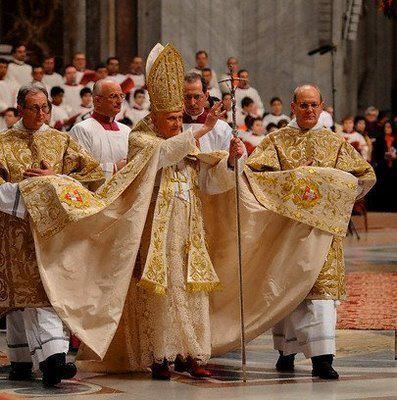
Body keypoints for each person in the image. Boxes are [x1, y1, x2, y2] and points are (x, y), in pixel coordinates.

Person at [249, 84, 375, 380]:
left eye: (314, 105)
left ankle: (323, 358)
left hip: (323, 233)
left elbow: (364, 176)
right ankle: (286, 350)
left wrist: (334, 189)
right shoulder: (276, 141)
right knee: (289, 293)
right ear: (292, 107)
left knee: (321, 296)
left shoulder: (335, 143)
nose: (308, 110)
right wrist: (294, 178)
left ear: (322, 107)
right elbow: (255, 177)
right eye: (303, 105)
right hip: (287, 233)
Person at [0, 85, 104, 387]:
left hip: (53, 234)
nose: (41, 114)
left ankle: (53, 360)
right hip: (15, 230)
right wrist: (28, 194)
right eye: (34, 108)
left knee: (46, 294)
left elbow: (93, 175)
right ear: (20, 108)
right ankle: (22, 360)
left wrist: (54, 180)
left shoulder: (61, 140)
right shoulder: (3, 142)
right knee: (23, 297)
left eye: (46, 107)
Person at [70, 79, 131, 179]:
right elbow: (79, 171)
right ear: (97, 100)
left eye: (121, 96)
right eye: (113, 96)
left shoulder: (127, 131)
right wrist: (114, 169)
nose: (119, 101)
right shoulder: (81, 130)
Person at [182, 72, 235, 152]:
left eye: (197, 97)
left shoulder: (221, 128)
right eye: (188, 97)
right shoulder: (174, 126)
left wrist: (232, 159)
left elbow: (232, 160)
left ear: (206, 96)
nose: (192, 103)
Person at [0, 58, 16, 131]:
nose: (2, 70)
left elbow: (16, 98)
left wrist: (13, 110)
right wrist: (6, 109)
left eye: (5, 67)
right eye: (0, 67)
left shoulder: (12, 83)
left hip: (11, 116)